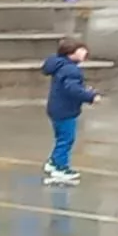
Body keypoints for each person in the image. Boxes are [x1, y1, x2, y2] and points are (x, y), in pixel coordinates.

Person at [43, 38, 100, 185]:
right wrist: (90, 96)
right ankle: (60, 169)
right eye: (81, 50)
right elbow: (72, 89)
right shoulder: (71, 69)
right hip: (65, 110)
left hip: (57, 108)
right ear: (71, 53)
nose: (85, 52)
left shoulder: (60, 65)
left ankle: (54, 162)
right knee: (66, 139)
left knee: (61, 137)